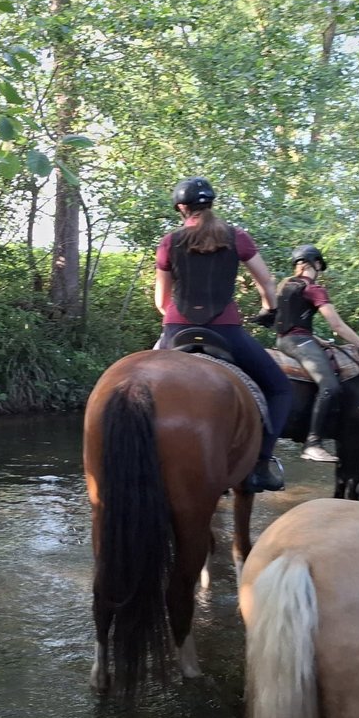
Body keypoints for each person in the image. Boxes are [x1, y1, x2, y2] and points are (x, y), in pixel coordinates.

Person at [155, 176, 292, 492]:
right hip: (226, 330)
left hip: (176, 330)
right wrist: (269, 309)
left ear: (181, 208)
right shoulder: (237, 237)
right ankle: (260, 465)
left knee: (138, 387)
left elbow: (162, 301)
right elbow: (267, 282)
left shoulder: (169, 242)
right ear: (212, 204)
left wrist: (176, 322)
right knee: (280, 388)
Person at [275, 244, 359, 463]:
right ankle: (313, 444)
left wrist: (317, 340)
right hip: (299, 342)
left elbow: (288, 323)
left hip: (285, 341)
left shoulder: (285, 286)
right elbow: (337, 326)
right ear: (315, 264)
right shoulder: (313, 289)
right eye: (320, 266)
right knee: (330, 386)